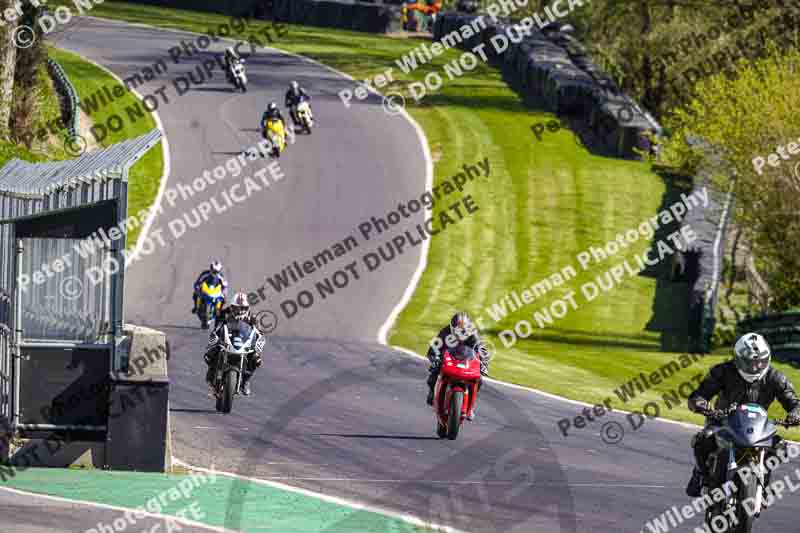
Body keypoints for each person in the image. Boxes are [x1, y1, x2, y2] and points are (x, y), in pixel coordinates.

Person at [685, 332, 800, 497]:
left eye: (760, 362)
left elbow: (794, 401)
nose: (755, 367)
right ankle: (701, 474)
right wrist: (701, 404)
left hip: (757, 427)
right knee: (702, 440)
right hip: (723, 422)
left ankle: (763, 484)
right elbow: (699, 394)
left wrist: (796, 414)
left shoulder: (776, 377)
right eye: (750, 363)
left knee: (781, 447)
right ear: (738, 359)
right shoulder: (722, 371)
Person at [425, 312, 490, 419]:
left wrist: (484, 365)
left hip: (466, 361)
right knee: (433, 374)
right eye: (458, 331)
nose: (461, 334)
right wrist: (435, 360)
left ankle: (470, 406)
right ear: (452, 328)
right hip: (447, 360)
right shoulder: (445, 333)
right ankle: (432, 392)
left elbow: (482, 351)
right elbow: (432, 351)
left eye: (464, 331)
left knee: (479, 380)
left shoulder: (473, 335)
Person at [204, 292, 265, 396]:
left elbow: (259, 333)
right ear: (232, 307)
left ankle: (246, 381)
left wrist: (259, 345)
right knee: (210, 355)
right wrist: (214, 338)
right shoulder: (223, 313)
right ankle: (212, 375)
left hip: (243, 341)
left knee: (256, 359)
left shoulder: (253, 317)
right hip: (226, 338)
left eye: (243, 308)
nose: (240, 311)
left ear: (247, 308)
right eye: (237, 308)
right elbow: (216, 328)